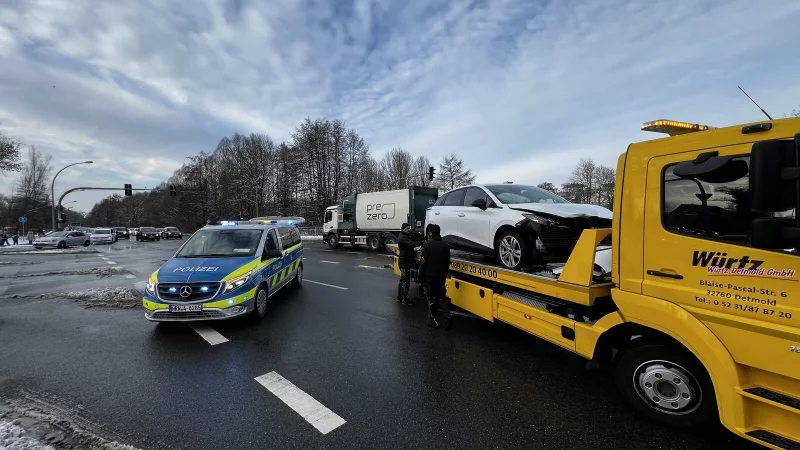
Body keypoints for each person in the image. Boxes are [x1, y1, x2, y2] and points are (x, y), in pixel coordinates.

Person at [417, 224, 453, 330]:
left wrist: (419, 276)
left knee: (431, 299)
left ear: (430, 233)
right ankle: (448, 315)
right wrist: (444, 275)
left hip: (429, 277)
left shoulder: (427, 245)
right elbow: (447, 262)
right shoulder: (446, 245)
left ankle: (433, 321)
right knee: (441, 297)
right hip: (441, 278)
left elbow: (423, 262)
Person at [396, 222, 417, 305]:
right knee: (405, 280)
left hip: (406, 261)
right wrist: (422, 242)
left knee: (403, 280)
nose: (409, 230)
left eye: (409, 228)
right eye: (407, 228)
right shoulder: (402, 237)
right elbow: (411, 244)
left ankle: (400, 297)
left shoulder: (405, 236)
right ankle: (404, 299)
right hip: (404, 262)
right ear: (403, 229)